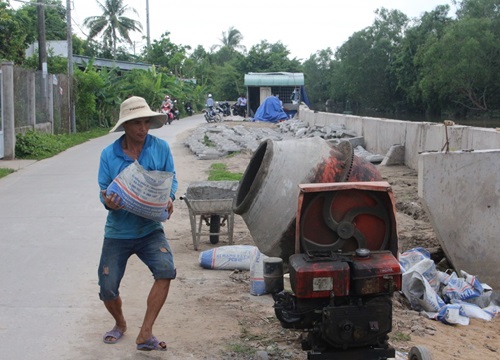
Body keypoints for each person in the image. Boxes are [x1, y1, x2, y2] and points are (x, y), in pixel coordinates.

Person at [97, 96, 178, 351]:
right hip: (118, 231)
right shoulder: (109, 154)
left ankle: (145, 333)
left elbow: (171, 180)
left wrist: (170, 198)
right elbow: (103, 190)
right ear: (125, 126)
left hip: (150, 228)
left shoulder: (161, 148)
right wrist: (109, 202)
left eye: (146, 122)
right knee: (107, 287)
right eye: (136, 123)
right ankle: (120, 323)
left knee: (166, 269)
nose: (142, 128)